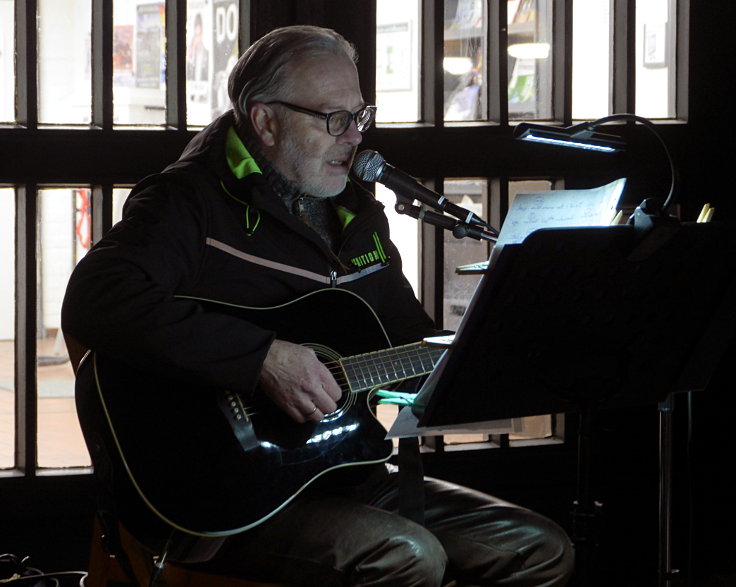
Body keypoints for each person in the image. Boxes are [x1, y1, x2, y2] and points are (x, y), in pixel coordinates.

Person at [62, 25, 574, 586]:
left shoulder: (357, 211)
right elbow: (97, 298)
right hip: (219, 496)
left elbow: (408, 341)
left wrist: (494, 343)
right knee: (408, 556)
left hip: (339, 470)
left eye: (360, 116)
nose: (355, 138)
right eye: (334, 119)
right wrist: (261, 359)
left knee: (540, 549)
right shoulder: (189, 202)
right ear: (265, 120)